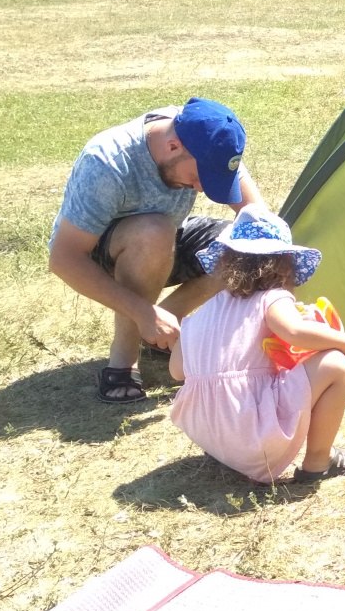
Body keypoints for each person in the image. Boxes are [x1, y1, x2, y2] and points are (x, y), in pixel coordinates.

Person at [48, 98, 265, 403]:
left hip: (166, 240)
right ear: (174, 146)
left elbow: (258, 218)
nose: (201, 188)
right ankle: (123, 362)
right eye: (198, 177)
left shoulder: (209, 137)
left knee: (246, 245)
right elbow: (63, 258)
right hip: (101, 254)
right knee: (154, 231)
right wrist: (142, 311)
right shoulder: (108, 162)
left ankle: (161, 333)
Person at [168, 209, 345, 484]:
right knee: (335, 365)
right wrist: (344, 341)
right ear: (285, 266)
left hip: (208, 431)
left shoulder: (202, 313)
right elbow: (293, 331)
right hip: (253, 438)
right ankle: (318, 462)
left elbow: (177, 371)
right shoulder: (273, 297)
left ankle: (227, 453)